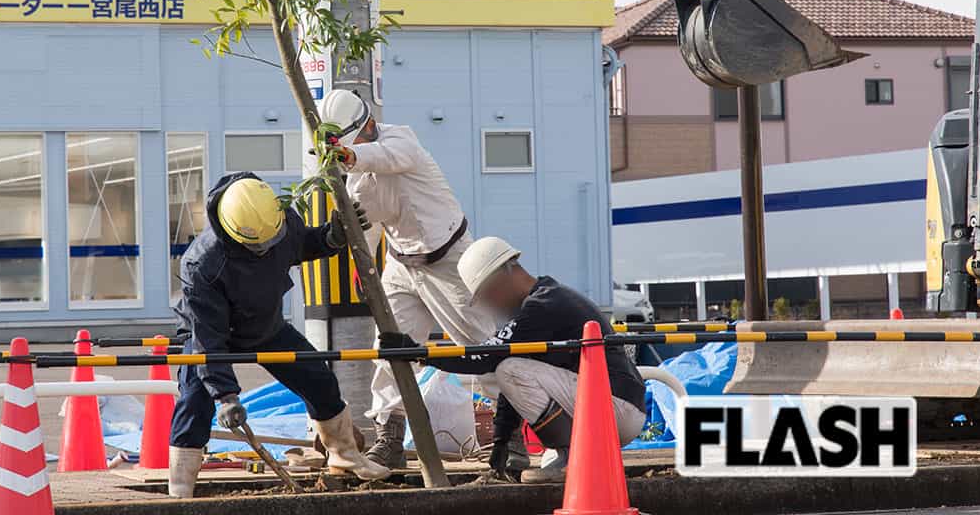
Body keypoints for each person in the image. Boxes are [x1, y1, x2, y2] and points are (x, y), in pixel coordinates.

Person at [318, 89, 524, 470]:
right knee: (391, 352)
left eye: (349, 148)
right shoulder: (357, 180)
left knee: (482, 346)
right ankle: (390, 437)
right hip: (402, 265)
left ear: (366, 128)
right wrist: (364, 273)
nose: (346, 159)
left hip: (450, 261)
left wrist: (352, 156)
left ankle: (508, 437)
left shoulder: (401, 139)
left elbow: (388, 157)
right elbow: (368, 226)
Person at [167, 172, 390, 497]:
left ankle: (345, 456)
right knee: (194, 401)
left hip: (265, 326)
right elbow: (208, 336)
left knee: (319, 379)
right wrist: (226, 397)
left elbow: (300, 245)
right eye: (257, 246)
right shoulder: (202, 264)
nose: (265, 250)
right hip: (213, 335)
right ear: (233, 233)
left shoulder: (276, 217)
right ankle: (180, 485)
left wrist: (330, 238)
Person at [381, 236, 646, 483]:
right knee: (511, 368)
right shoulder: (545, 299)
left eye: (486, 296)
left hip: (613, 408)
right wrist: (501, 440)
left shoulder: (541, 306)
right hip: (616, 408)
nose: (490, 305)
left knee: (510, 369)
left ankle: (572, 458)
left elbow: (485, 359)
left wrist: (419, 352)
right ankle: (572, 454)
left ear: (502, 276)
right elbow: (503, 370)